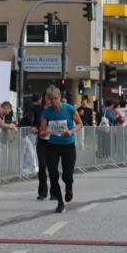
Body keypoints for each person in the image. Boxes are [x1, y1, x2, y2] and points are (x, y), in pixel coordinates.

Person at [39, 85, 83, 213]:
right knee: (53, 176)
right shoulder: (47, 112)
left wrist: (72, 131)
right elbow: (41, 131)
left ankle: (69, 187)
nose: (53, 101)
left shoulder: (69, 109)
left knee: (67, 176)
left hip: (68, 145)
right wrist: (46, 132)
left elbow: (80, 123)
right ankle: (60, 202)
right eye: (50, 99)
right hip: (52, 146)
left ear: (60, 97)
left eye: (55, 98)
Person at [20, 94, 48, 195]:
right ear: (40, 99)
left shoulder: (28, 106)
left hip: (28, 131)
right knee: (30, 150)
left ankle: (28, 167)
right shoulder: (37, 108)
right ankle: (30, 167)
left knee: (28, 150)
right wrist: (33, 127)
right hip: (30, 131)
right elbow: (32, 118)